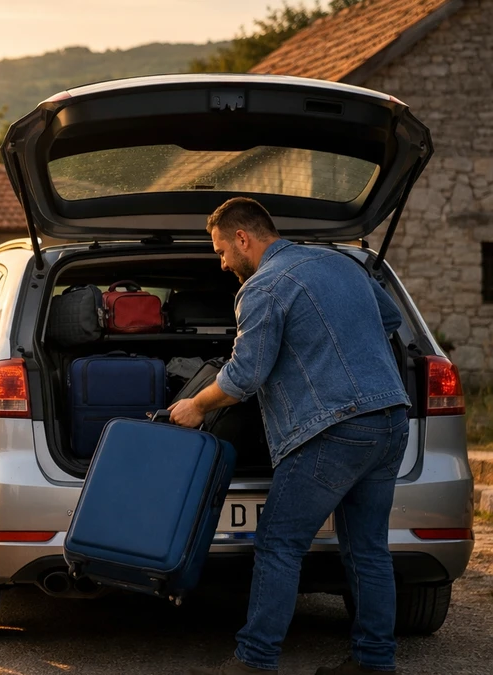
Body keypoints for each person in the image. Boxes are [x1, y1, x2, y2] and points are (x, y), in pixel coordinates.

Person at [172, 198, 410, 675]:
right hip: (390, 418)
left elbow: (245, 375)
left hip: (333, 429)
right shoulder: (342, 263)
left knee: (279, 545)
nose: (221, 262)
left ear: (243, 238)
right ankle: (374, 662)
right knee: (368, 549)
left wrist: (196, 405)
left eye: (221, 250)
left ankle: (254, 662)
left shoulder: (264, 286)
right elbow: (389, 321)